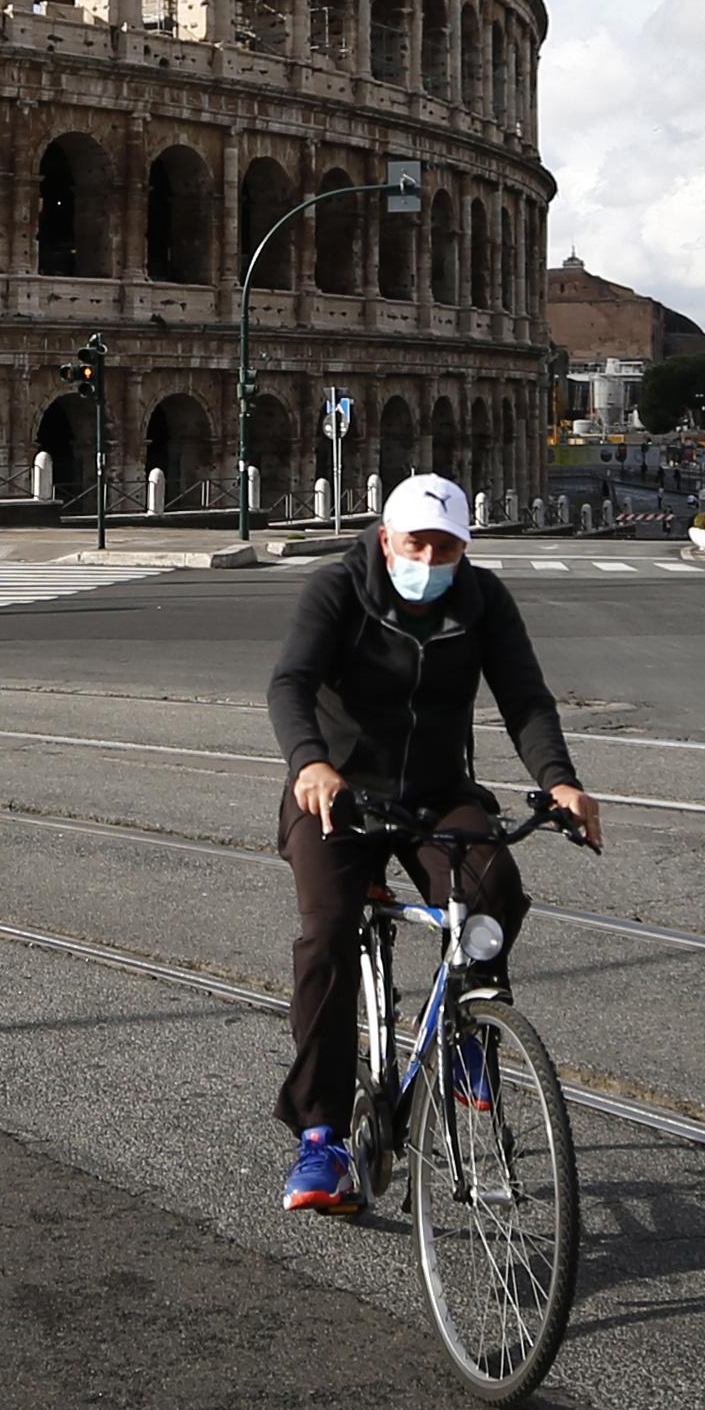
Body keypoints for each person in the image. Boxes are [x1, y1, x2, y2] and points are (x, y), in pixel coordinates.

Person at [264, 472, 600, 1217]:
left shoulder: (482, 600)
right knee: (327, 932)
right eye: (417, 542)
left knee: (494, 889)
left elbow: (525, 697)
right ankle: (320, 1135)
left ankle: (466, 1028)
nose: (430, 557)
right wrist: (310, 763)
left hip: (436, 792)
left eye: (446, 546)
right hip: (339, 793)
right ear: (386, 540)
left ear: (463, 551)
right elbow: (290, 683)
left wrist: (561, 780)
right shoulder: (338, 589)